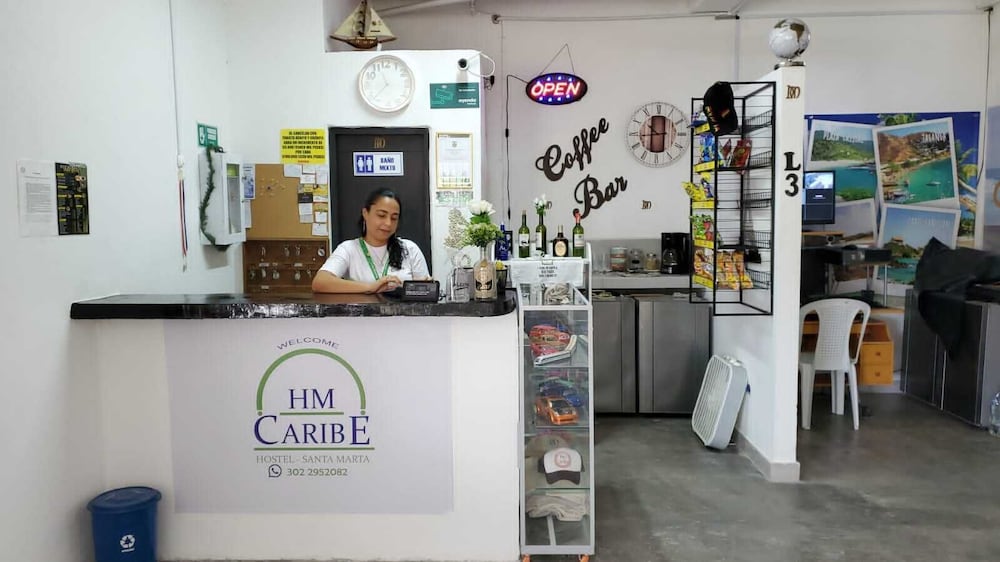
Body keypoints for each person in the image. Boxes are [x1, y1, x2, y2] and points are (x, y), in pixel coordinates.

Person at [312, 188, 429, 293]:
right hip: (361, 311)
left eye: (394, 218)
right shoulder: (349, 249)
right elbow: (320, 282)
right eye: (381, 215)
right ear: (365, 213)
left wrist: (423, 287)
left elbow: (425, 291)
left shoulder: (409, 249)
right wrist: (371, 287)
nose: (388, 223)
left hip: (403, 311)